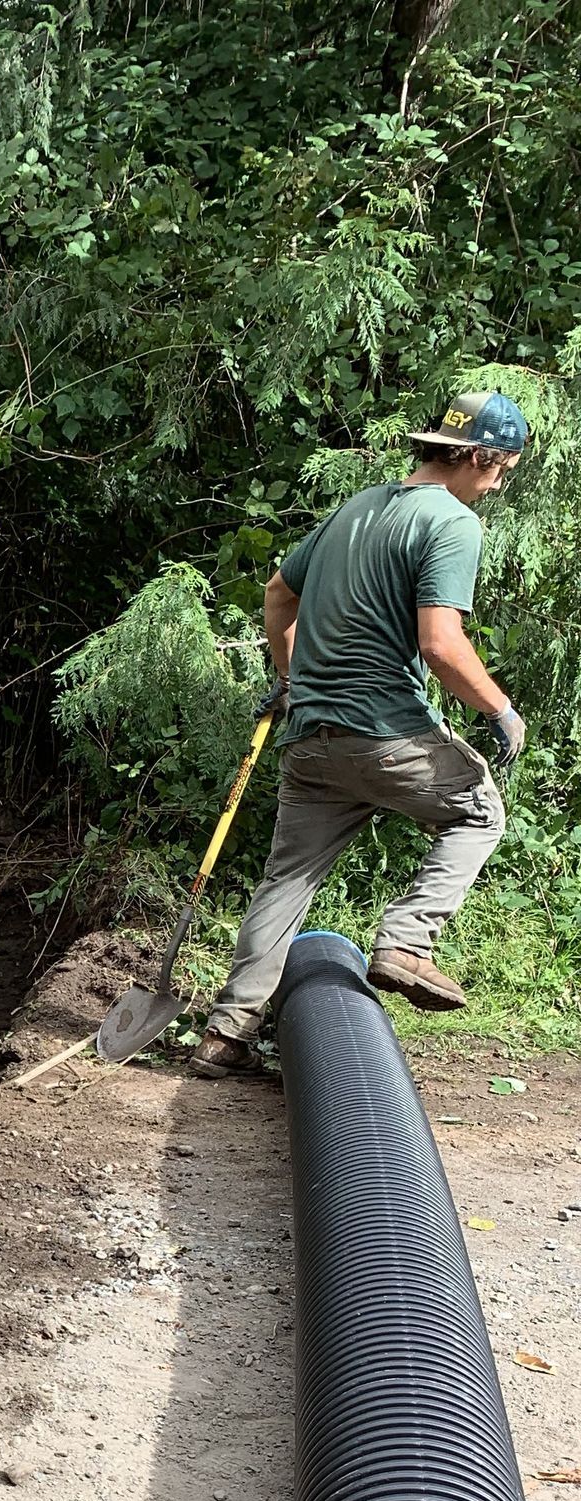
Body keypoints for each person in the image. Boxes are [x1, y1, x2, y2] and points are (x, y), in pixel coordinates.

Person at [194, 388, 530, 1078]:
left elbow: (277, 594)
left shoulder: (357, 507)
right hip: (386, 732)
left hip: (311, 738)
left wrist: (292, 679)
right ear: (476, 456)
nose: (498, 485)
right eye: (502, 469)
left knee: (287, 880)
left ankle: (225, 1033)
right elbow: (440, 643)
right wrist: (500, 709)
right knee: (479, 811)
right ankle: (406, 941)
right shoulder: (452, 523)